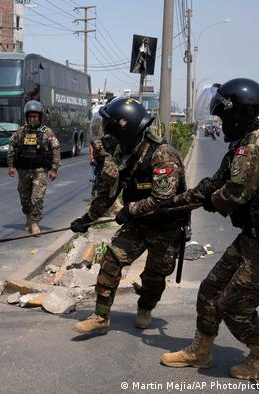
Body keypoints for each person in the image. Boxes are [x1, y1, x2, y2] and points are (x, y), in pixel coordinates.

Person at [158, 78, 259, 380]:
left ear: (238, 112)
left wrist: (212, 201)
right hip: (255, 239)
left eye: (224, 116)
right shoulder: (249, 139)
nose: (223, 122)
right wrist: (172, 203)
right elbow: (214, 185)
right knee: (210, 289)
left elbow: (234, 194)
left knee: (234, 305)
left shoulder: (258, 142)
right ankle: (201, 351)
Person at [69, 98, 189, 334]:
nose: (106, 133)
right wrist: (87, 219)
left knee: (154, 277)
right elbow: (107, 193)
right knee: (111, 260)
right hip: (138, 224)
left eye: (110, 128)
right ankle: (101, 316)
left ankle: (145, 308)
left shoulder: (162, 156)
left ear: (126, 127)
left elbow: (161, 199)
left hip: (166, 227)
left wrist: (129, 210)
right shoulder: (123, 154)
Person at [7, 100, 61, 234]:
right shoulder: (20, 132)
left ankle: (35, 223)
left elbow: (56, 150)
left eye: (35, 116)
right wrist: (11, 165)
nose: (32, 119)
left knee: (37, 198)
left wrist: (54, 169)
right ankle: (28, 218)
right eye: (30, 116)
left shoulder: (47, 132)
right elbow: (11, 146)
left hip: (40, 171)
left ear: (40, 117)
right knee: (24, 198)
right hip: (23, 170)